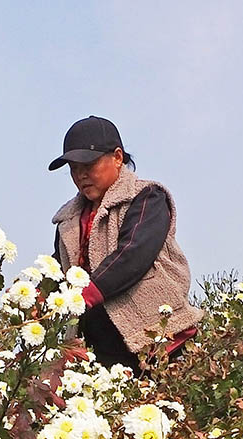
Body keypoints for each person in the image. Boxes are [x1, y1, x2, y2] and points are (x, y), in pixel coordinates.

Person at [49, 116, 204, 370]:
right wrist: (35, 296)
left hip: (158, 343)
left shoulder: (146, 197)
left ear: (118, 157)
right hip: (100, 351)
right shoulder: (69, 221)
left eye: (88, 165)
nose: (81, 175)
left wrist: (85, 295)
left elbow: (133, 254)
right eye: (74, 169)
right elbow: (58, 271)